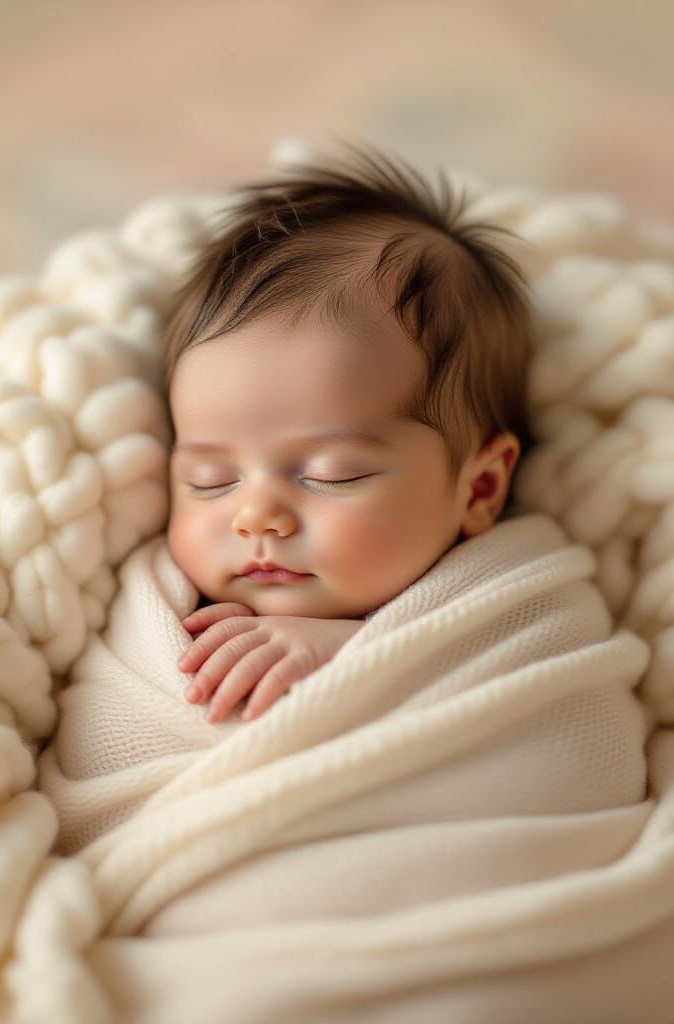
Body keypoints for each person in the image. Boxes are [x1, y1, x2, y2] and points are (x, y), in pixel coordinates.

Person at [161, 141, 536, 725]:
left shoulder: (514, 600)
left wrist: (352, 655)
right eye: (209, 481)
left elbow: (548, 716)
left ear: (480, 488)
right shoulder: (156, 611)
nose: (255, 516)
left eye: (332, 473)